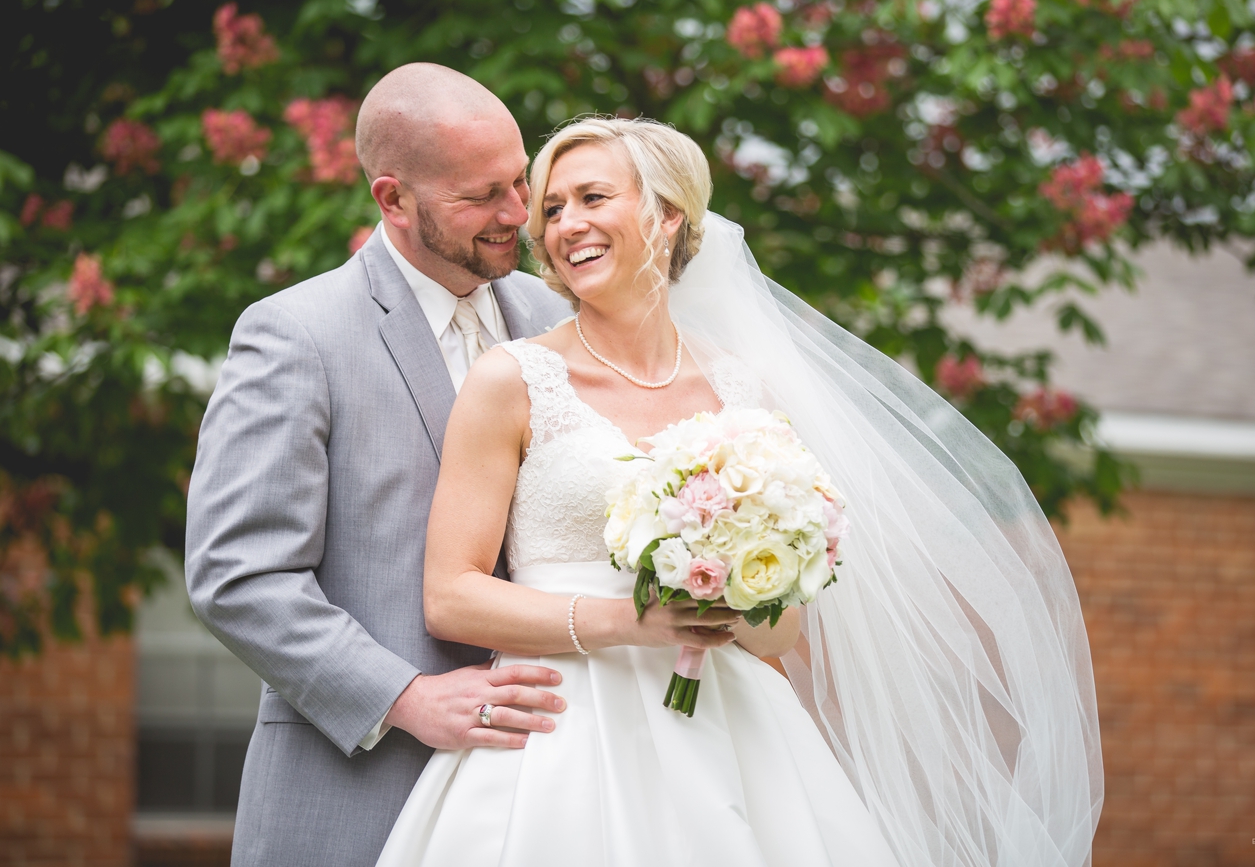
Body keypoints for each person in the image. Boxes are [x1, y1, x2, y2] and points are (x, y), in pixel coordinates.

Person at [376, 118, 1103, 867]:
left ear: (667, 217)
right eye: (553, 209)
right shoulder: (515, 378)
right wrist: (632, 620)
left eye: (593, 197)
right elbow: (451, 595)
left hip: (728, 729)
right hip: (561, 731)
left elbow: (778, 635)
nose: (567, 226)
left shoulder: (743, 388)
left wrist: (733, 584)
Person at [183, 63, 574, 866]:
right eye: (480, 197)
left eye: (519, 181)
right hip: (360, 795)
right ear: (392, 200)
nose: (518, 215)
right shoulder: (296, 334)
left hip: (553, 790)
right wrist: (405, 698)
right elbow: (236, 573)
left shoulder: (555, 317)